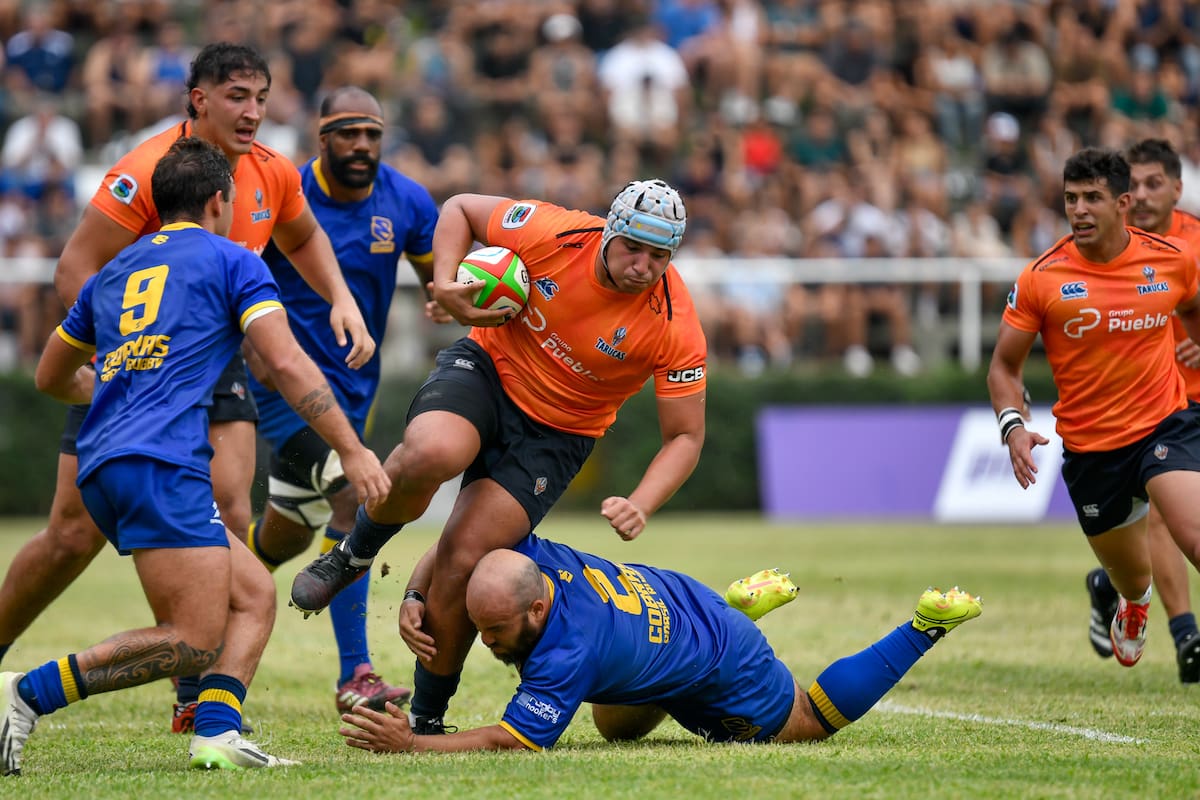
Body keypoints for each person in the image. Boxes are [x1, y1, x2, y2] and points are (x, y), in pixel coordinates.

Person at [0, 42, 375, 732]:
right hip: (133, 363)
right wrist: (133, 359)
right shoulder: (144, 170)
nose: (253, 112)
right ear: (198, 99)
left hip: (214, 356)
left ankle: (196, 702)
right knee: (71, 536)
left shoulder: (271, 171)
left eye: (261, 98)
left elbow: (302, 238)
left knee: (226, 513)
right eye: (237, 96)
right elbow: (74, 271)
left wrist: (341, 298)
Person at [291, 178, 709, 734]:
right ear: (609, 232)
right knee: (433, 450)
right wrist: (446, 284)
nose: (643, 266)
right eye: (633, 247)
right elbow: (460, 208)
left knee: (466, 556)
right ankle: (353, 555)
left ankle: (426, 719)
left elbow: (685, 437)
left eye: (659, 256)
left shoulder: (674, 322)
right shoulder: (557, 233)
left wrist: (643, 502)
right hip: (487, 371)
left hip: (558, 434)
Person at [336, 534, 982, 753]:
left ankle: (924, 626)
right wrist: (416, 592)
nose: (487, 641)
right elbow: (458, 541)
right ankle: (728, 607)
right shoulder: (530, 556)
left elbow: (510, 740)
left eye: (497, 632)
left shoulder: (566, 654)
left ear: (537, 608)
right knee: (613, 730)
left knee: (807, 720)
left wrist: (412, 744)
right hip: (671, 602)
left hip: (723, 656)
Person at [241, 86, 445, 714]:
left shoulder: (407, 200)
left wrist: (451, 297)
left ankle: (216, 591)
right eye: (348, 133)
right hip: (281, 387)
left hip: (354, 391)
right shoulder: (283, 195)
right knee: (355, 494)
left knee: (285, 536)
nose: (362, 145)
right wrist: (255, 351)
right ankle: (356, 675)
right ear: (321, 138)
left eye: (372, 134)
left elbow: (437, 279)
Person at [988, 146, 1200, 670]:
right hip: (1091, 450)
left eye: (1092, 198)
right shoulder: (1042, 277)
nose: (1079, 210)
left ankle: (1178, 628)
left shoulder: (1171, 259)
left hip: (1164, 424)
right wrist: (1013, 427)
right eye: (1070, 198)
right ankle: (1132, 601)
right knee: (1134, 577)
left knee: (1192, 533)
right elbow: (1004, 368)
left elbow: (1194, 307)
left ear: (1122, 203)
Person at [1083, 138, 1200, 683]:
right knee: (1162, 511)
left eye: (1156, 183)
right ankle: (1187, 637)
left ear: (1178, 188)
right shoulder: (1107, 248)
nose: (1144, 195)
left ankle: (1110, 585)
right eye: (1135, 185)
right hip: (1155, 412)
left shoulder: (1193, 246)